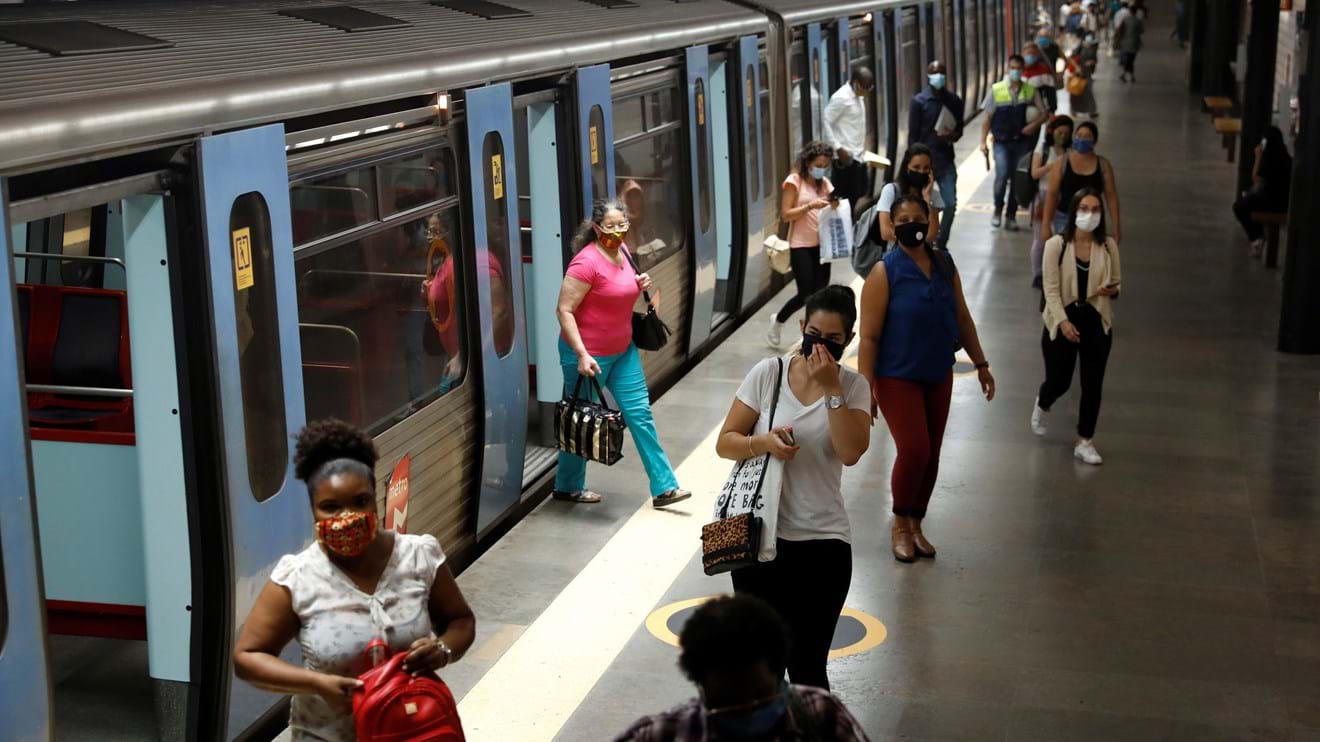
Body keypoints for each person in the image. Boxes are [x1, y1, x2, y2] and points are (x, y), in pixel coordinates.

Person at [233, 419, 477, 742]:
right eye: (330, 507)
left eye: (360, 502)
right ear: (313, 510)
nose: (346, 517)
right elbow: (248, 658)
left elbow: (461, 621)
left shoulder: (420, 556)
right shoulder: (298, 578)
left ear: (375, 498)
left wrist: (443, 649)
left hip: (409, 732)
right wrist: (316, 684)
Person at [716, 285, 871, 691]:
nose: (820, 345)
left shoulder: (855, 388)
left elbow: (851, 451)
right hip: (758, 539)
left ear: (848, 341)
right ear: (802, 327)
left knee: (807, 669)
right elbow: (725, 441)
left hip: (823, 546)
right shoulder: (768, 374)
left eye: (833, 340)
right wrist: (762, 442)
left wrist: (832, 390)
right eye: (814, 334)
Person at [858, 195, 995, 563]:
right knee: (914, 449)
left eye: (919, 217)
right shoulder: (884, 272)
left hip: (937, 372)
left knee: (932, 453)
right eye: (903, 218)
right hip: (896, 376)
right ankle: (899, 524)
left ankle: (917, 522)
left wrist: (981, 363)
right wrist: (864, 387)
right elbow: (868, 337)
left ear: (932, 220)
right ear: (893, 225)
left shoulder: (944, 264)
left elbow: (963, 318)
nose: (912, 224)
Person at [555, 199, 691, 509]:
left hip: (622, 351)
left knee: (640, 414)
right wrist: (581, 353)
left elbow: (619, 294)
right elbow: (564, 310)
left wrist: (638, 283)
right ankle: (568, 485)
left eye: (622, 225)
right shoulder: (585, 263)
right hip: (588, 357)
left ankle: (664, 487)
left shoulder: (624, 254)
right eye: (611, 226)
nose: (617, 232)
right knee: (581, 419)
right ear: (596, 228)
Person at [614, 595, 872, 741]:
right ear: (700, 686)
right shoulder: (661, 735)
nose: (748, 709)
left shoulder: (822, 715)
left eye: (761, 696)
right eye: (729, 701)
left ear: (777, 671)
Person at [1032, 188, 1121, 466]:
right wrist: (1063, 322)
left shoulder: (1107, 246)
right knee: (1060, 380)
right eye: (1084, 208)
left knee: (1092, 383)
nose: (1089, 215)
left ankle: (1085, 440)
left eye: (1095, 210)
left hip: (1096, 318)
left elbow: (1117, 281)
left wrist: (1112, 289)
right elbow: (1051, 289)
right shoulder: (1056, 246)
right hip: (1062, 317)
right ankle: (1044, 401)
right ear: (1073, 212)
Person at [767, 141, 839, 348]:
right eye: (818, 164)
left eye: (825, 165)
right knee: (806, 292)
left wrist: (834, 204)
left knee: (820, 292)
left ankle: (812, 336)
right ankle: (779, 320)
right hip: (800, 245)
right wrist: (809, 206)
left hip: (823, 246)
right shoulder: (794, 181)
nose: (821, 169)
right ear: (808, 162)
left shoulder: (825, 184)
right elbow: (786, 214)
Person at [979, 54, 1048, 231]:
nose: (1015, 71)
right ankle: (997, 208)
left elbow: (1044, 113)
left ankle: (1011, 215)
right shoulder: (996, 90)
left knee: (1017, 179)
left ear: (1023, 70)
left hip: (1022, 142)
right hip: (1001, 142)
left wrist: (1033, 126)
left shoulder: (1031, 90)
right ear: (1007, 69)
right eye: (1012, 68)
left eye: (1018, 68)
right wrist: (983, 142)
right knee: (1002, 175)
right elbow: (987, 117)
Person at [907, 60, 964, 249]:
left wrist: (951, 135)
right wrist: (912, 165)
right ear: (928, 75)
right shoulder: (919, 102)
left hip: (945, 159)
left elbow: (959, 131)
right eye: (934, 72)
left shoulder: (954, 101)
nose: (938, 76)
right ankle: (923, 240)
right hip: (924, 164)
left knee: (949, 204)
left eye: (941, 72)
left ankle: (941, 241)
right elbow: (913, 135)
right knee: (919, 204)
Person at [1041, 121, 1120, 244]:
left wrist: (1116, 228)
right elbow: (1052, 194)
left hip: (1092, 219)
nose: (1081, 139)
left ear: (1094, 141)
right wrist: (1046, 225)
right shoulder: (1062, 162)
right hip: (1064, 218)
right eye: (1079, 135)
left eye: (1086, 136)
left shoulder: (1103, 166)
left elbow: (1111, 197)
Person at [870, 144, 945, 251]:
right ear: (906, 167)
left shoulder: (934, 195)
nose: (921, 172)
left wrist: (927, 199)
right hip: (896, 257)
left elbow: (931, 235)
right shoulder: (891, 191)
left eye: (926, 168)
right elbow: (886, 232)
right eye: (916, 167)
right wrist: (916, 238)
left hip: (923, 258)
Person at [1233, 126, 1293, 257]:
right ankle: (1259, 236)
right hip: (1283, 202)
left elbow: (1256, 179)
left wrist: (1258, 157)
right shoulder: (1286, 157)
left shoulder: (1270, 160)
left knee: (1239, 207)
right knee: (1249, 198)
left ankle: (1257, 238)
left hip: (1273, 203)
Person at [823, 64, 876, 210]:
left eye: (868, 89)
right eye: (862, 88)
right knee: (845, 201)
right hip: (844, 160)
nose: (864, 92)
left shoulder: (858, 96)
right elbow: (826, 121)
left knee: (859, 193)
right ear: (854, 81)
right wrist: (838, 148)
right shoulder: (841, 97)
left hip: (857, 157)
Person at [1030, 115, 1075, 287]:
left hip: (1063, 199)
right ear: (1051, 131)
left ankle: (1056, 272)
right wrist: (1054, 165)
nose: (1062, 136)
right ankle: (1038, 274)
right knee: (1041, 238)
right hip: (1042, 197)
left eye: (1066, 133)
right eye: (1059, 132)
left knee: (1061, 238)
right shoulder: (1043, 150)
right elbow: (1034, 173)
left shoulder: (1071, 153)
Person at [1066, 35, 1101, 117]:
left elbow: (1095, 61)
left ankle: (1092, 111)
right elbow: (1070, 58)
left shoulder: (1092, 50)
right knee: (1074, 92)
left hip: (1087, 74)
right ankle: (1073, 110)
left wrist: (1091, 62)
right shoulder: (1079, 48)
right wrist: (1077, 67)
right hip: (1076, 74)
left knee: (1088, 92)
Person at [1022, 41, 1058, 112]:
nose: (1031, 56)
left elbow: (1051, 94)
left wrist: (1051, 111)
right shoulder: (1017, 69)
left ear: (1038, 54)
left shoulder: (1044, 71)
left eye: (1033, 53)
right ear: (1023, 53)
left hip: (1037, 111)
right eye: (1028, 53)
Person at [1117, 5, 1145, 83]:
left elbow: (1119, 29)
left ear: (1130, 11)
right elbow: (1142, 31)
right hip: (1135, 43)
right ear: (1136, 12)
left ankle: (1126, 75)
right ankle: (1130, 76)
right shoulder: (1138, 21)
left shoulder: (1125, 20)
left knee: (1128, 60)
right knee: (1131, 60)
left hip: (1125, 43)